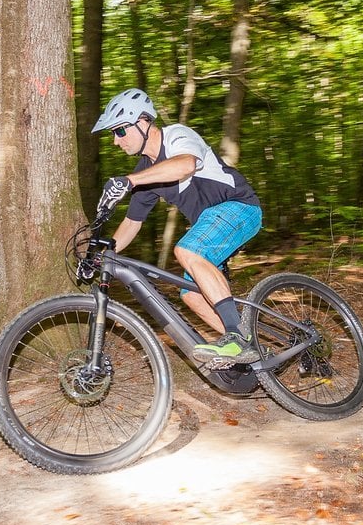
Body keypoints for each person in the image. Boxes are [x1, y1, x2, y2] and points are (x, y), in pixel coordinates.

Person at [92, 88, 263, 365]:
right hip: (210, 227)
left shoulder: (177, 136)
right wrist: (103, 252)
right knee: (191, 295)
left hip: (240, 209)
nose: (115, 141)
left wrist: (131, 181)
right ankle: (254, 350)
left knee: (187, 250)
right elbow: (132, 223)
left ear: (142, 121)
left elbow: (184, 165)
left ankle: (236, 339)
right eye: (113, 134)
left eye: (120, 131)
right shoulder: (144, 173)